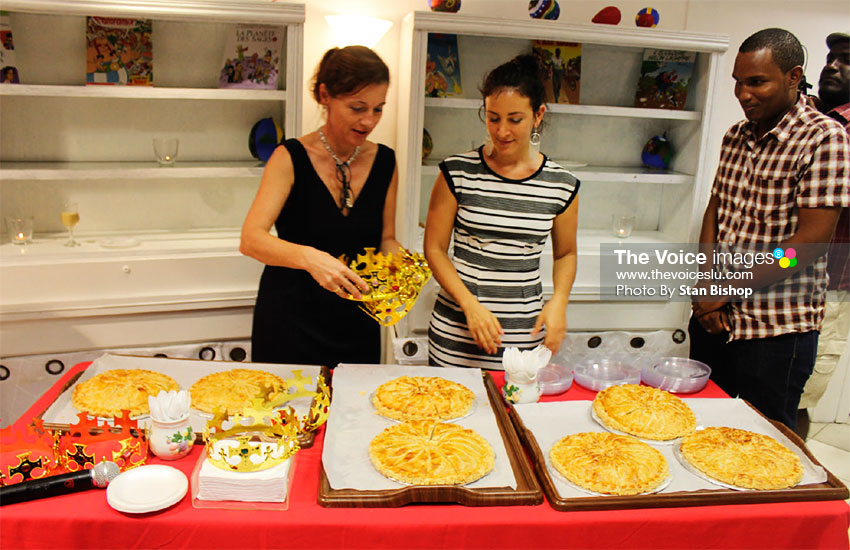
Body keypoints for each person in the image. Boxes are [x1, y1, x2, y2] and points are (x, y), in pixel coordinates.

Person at [688, 28, 850, 431]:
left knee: (765, 443)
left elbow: (808, 243)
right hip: (715, 318)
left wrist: (722, 291)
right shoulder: (735, 136)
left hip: (777, 328)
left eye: (757, 82)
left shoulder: (823, 138)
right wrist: (706, 286)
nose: (743, 94)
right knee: (704, 430)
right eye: (738, 83)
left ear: (794, 77)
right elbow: (716, 209)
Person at [241, 46, 400, 367]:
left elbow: (386, 238)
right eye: (357, 108)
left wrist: (398, 274)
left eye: (378, 109)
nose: (369, 121)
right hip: (290, 322)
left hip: (357, 323)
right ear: (325, 95)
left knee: (356, 413)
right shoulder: (289, 157)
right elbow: (251, 239)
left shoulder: (386, 160)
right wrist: (311, 259)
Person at [425, 54, 580, 369]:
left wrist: (559, 300)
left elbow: (565, 253)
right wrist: (470, 305)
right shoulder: (456, 172)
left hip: (522, 339)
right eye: (493, 117)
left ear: (538, 115)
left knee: (513, 414)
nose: (502, 130)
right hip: (457, 330)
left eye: (515, 119)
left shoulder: (562, 184)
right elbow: (435, 249)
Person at [797, 31, 850, 438]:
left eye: (846, 60)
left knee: (799, 388)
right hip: (769, 270)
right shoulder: (807, 114)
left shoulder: (835, 133)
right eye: (831, 58)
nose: (833, 66)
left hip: (828, 283)